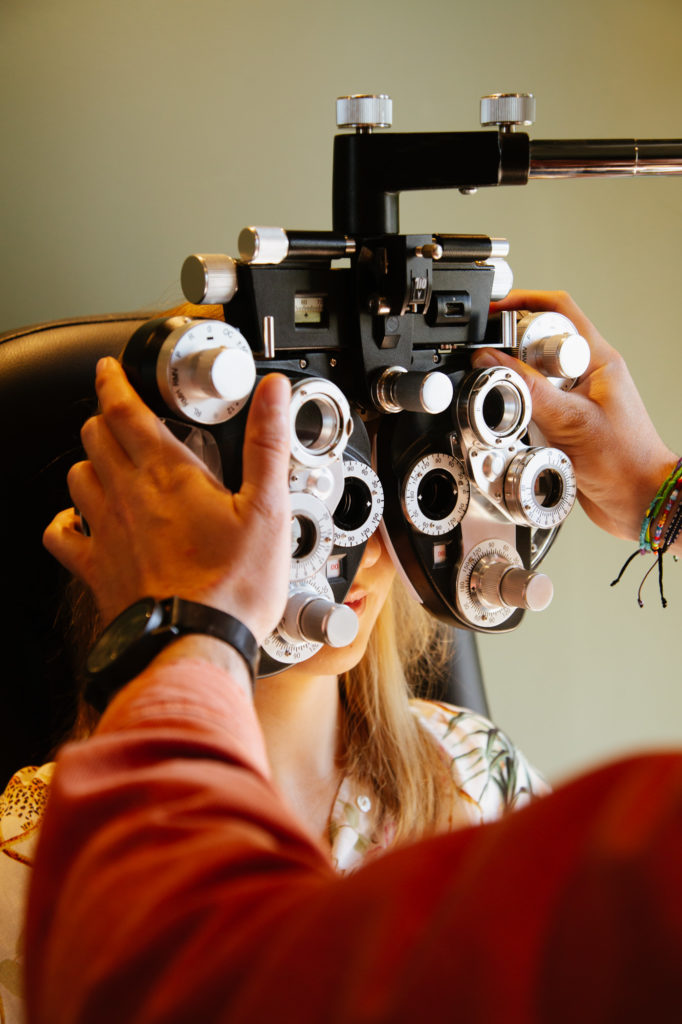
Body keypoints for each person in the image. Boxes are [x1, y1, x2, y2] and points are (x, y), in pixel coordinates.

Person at [23, 291, 682, 1022]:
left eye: (376, 496)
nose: (365, 551)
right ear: (156, 525)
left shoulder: (478, 778)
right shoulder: (33, 853)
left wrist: (175, 630)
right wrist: (660, 495)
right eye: (303, 504)